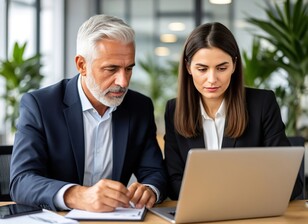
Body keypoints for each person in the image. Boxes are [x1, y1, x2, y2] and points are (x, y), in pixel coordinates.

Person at [10, 14, 167, 212]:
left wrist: (150, 189)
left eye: (129, 69)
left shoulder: (139, 107)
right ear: (82, 65)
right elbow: (21, 181)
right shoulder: (40, 106)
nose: (123, 82)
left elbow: (154, 172)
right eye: (112, 69)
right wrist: (77, 195)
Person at [164, 22, 303, 201]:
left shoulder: (262, 104)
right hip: (200, 216)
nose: (212, 79)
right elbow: (174, 183)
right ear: (188, 67)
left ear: (234, 65)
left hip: (249, 213)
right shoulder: (174, 111)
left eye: (222, 68)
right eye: (202, 69)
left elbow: (291, 183)